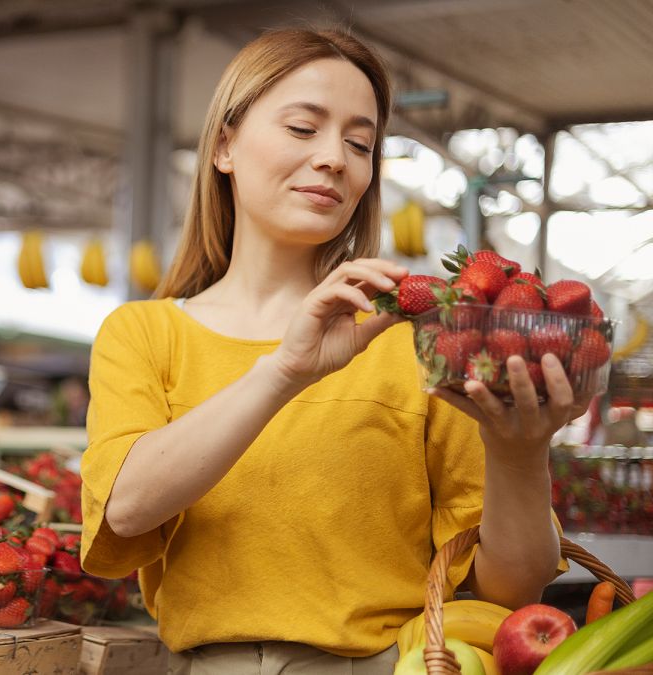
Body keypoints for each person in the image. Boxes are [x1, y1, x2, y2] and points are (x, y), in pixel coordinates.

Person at [80, 28, 578, 674]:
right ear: (225, 145)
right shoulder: (144, 334)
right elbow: (126, 503)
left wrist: (521, 454)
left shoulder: (417, 337)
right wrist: (285, 371)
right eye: (303, 128)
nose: (335, 159)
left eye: (359, 143)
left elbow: (512, 593)